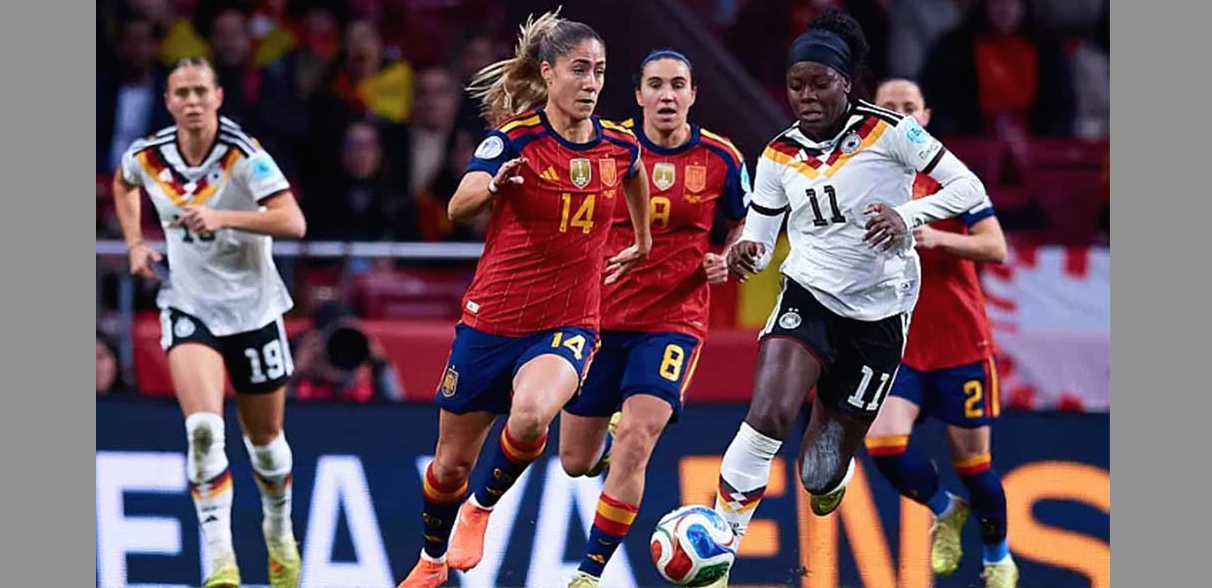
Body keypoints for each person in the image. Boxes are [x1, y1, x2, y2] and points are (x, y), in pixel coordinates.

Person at [711, 9, 987, 586]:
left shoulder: (893, 131)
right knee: (767, 415)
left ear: (846, 81)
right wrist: (744, 255)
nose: (807, 96)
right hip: (809, 294)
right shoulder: (777, 155)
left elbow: (968, 187)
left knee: (818, 473)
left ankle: (833, 476)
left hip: (880, 312)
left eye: (819, 83)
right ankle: (720, 549)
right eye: (796, 84)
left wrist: (907, 215)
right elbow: (759, 240)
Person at [395, 10, 651, 588]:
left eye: (599, 71)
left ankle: (482, 508)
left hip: (568, 322)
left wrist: (641, 240)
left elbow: (634, 170)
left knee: (533, 416)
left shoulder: (617, 143)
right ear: (548, 72)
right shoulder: (514, 138)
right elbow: (457, 204)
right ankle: (432, 560)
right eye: (579, 70)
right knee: (449, 465)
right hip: (491, 322)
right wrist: (492, 185)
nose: (591, 83)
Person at [111, 57, 306, 588]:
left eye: (201, 91)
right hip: (189, 304)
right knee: (202, 430)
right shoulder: (149, 156)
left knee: (266, 444)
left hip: (253, 310)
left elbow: (293, 221)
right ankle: (221, 561)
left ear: (218, 97)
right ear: (169, 102)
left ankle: (278, 530)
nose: (192, 101)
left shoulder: (245, 155)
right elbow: (123, 183)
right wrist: (135, 242)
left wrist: (224, 217)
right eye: (182, 93)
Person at [558, 49, 750, 588]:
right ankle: (603, 442)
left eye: (678, 85)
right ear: (638, 95)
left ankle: (589, 573)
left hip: (673, 320)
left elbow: (745, 222)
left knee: (637, 438)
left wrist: (727, 256)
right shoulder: (608, 146)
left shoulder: (722, 158)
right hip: (597, 317)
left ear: (693, 95)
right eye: (657, 85)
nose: (668, 95)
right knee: (575, 461)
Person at [863, 78, 1016, 588]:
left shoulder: (952, 177)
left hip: (959, 343)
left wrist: (937, 238)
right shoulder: (859, 179)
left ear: (925, 116)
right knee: (884, 445)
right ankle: (945, 509)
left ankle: (997, 557)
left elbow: (996, 247)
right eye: (889, 107)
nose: (901, 115)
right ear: (872, 115)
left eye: (910, 107)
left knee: (974, 464)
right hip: (898, 344)